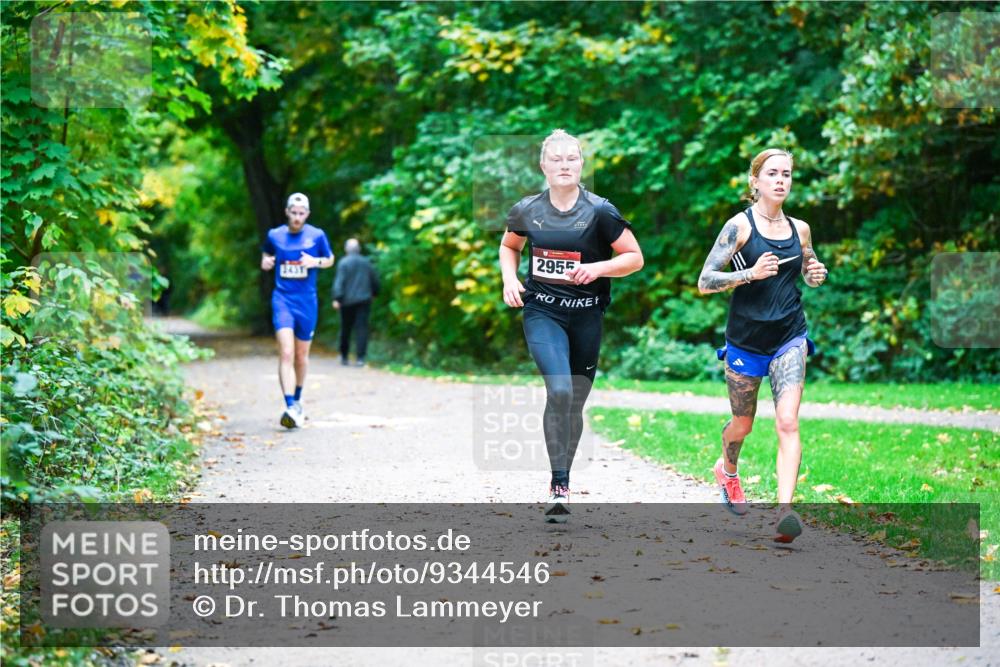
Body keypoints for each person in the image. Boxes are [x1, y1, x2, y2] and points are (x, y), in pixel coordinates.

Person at [499, 129, 644, 523]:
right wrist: (510, 279)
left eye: (572, 158)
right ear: (543, 166)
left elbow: (634, 258)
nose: (564, 165)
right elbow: (510, 246)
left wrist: (597, 268)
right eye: (556, 159)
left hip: (587, 314)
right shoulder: (527, 210)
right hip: (542, 311)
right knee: (559, 389)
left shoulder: (600, 211)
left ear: (581, 165)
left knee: (575, 399)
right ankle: (558, 485)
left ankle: (564, 475)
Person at [697, 148, 828, 543]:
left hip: (789, 335)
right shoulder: (740, 227)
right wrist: (749, 274)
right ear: (755, 181)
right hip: (746, 340)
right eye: (772, 173)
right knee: (744, 424)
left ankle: (785, 512)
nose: (781, 180)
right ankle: (728, 471)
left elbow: (808, 266)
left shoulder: (800, 229)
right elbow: (705, 280)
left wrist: (814, 272)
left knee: (787, 421)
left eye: (786, 174)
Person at [261, 193, 335, 429]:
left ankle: (299, 399)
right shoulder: (275, 235)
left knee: (301, 356)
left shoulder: (316, 235)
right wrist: (266, 261)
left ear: (307, 215)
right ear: (287, 212)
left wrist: (316, 262)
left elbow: (330, 258)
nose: (297, 217)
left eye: (301, 213)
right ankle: (290, 405)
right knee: (286, 353)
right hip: (282, 299)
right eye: (293, 213)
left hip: (307, 302)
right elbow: (266, 252)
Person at [332, 238, 379, 366]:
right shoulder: (366, 262)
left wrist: (337, 298)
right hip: (364, 300)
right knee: (362, 329)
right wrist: (374, 294)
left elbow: (339, 282)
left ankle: (344, 356)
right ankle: (360, 358)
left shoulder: (343, 263)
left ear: (346, 249)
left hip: (346, 302)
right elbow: (375, 280)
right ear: (359, 249)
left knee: (345, 329)